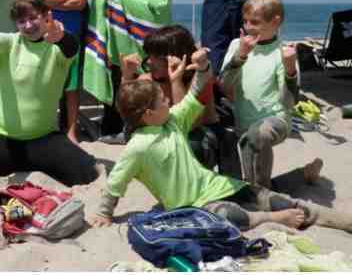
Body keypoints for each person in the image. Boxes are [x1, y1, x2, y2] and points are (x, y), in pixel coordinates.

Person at [91, 47, 352, 234]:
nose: (168, 100)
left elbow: (195, 94)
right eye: (162, 100)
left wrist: (203, 66)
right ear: (148, 114)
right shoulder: (137, 147)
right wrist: (104, 212)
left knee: (277, 199)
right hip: (197, 204)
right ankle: (270, 219)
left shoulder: (172, 121)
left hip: (220, 185)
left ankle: (341, 220)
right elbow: (116, 183)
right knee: (228, 216)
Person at [0, 0, 98, 187]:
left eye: (33, 18)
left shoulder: (57, 47)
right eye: (21, 21)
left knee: (90, 173)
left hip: (44, 139)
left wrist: (60, 38)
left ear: (46, 15)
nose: (28, 25)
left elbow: (72, 48)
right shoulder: (9, 43)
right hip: (2, 137)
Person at [220, 0, 322, 189]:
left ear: (275, 22)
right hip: (243, 120)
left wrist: (290, 69)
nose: (248, 27)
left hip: (276, 120)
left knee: (258, 135)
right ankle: (304, 174)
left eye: (255, 22)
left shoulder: (282, 53)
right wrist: (240, 56)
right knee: (250, 180)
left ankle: (260, 193)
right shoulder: (237, 45)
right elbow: (224, 86)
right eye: (245, 21)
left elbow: (289, 103)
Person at [81, 0, 171, 139]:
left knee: (144, 90)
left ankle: (141, 127)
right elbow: (100, 6)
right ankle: (113, 129)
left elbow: (159, 9)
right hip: (116, 43)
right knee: (117, 85)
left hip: (145, 45)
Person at [120, 25, 221, 171]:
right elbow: (129, 113)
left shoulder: (199, 77)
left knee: (191, 144)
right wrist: (127, 76)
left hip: (200, 135)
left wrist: (176, 81)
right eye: (149, 55)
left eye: (156, 57)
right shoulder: (148, 80)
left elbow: (189, 123)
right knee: (132, 130)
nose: (149, 62)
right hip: (169, 133)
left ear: (176, 57)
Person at [32, 0, 89, 144]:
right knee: (46, 81)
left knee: (72, 87)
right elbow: (39, 0)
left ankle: (71, 131)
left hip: (72, 33)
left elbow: (81, 1)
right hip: (47, 32)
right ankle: (46, 126)